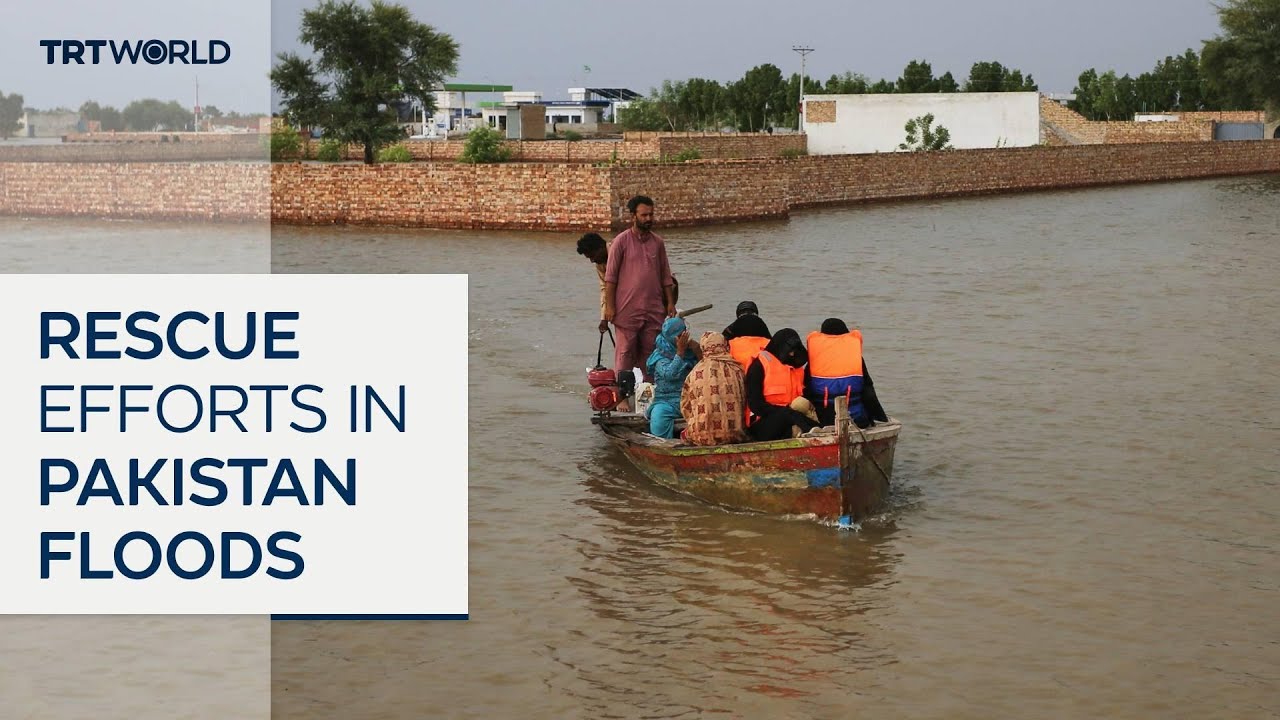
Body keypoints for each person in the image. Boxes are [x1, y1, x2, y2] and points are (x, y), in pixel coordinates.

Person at [603, 195, 677, 381]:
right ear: (633, 216)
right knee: (625, 352)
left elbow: (665, 275)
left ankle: (648, 392)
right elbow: (610, 279)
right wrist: (609, 307)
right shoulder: (620, 242)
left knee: (651, 353)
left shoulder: (658, 243)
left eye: (651, 215)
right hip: (627, 309)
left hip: (653, 309)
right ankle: (622, 395)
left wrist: (670, 304)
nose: (649, 219)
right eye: (644, 215)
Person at [579, 232, 679, 334]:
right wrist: (604, 317)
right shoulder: (600, 265)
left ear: (600, 247)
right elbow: (605, 289)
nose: (592, 260)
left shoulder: (621, 249)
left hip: (657, 292)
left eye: (592, 256)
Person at [805, 318, 889, 429]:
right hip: (857, 420)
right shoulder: (856, 358)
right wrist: (880, 418)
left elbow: (806, 391)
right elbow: (869, 394)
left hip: (823, 421)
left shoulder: (814, 361)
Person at [744, 328, 819, 441]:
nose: (792, 354)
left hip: (791, 419)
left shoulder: (797, 369)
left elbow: (807, 396)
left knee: (803, 404)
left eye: (794, 351)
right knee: (786, 414)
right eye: (789, 350)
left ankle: (820, 429)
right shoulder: (759, 366)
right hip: (761, 425)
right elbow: (755, 405)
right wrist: (786, 411)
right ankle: (813, 431)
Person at [680, 331, 747, 446]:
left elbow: (685, 407)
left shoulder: (695, 373)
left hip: (702, 438)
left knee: (684, 433)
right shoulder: (738, 370)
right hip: (736, 435)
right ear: (724, 345)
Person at [645, 316, 699, 439]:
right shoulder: (660, 356)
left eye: (685, 334)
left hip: (690, 399)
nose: (684, 339)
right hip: (666, 401)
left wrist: (698, 351)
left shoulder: (690, 352)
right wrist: (680, 352)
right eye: (680, 336)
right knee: (658, 417)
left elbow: (703, 370)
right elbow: (670, 375)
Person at [723, 300, 773, 372]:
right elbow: (772, 341)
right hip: (761, 369)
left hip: (738, 370)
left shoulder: (734, 326)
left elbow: (721, 340)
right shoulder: (760, 323)